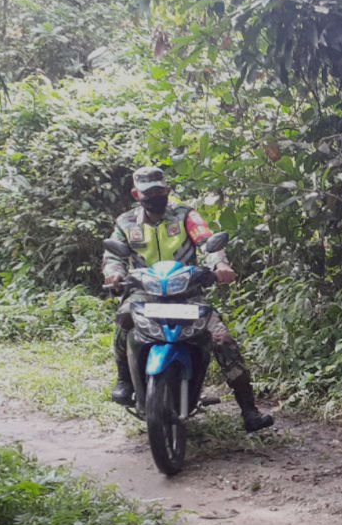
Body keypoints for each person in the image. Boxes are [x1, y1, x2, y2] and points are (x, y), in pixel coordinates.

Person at [102, 165, 274, 432]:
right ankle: (124, 379)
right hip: (144, 293)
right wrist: (114, 274)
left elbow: (206, 241)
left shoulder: (185, 215)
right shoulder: (126, 222)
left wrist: (220, 265)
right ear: (137, 194)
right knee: (124, 318)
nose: (154, 196)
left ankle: (249, 410)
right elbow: (114, 256)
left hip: (187, 292)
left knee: (222, 339)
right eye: (148, 192)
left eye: (159, 191)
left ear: (167, 190)